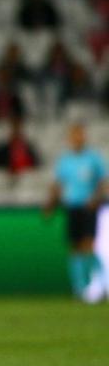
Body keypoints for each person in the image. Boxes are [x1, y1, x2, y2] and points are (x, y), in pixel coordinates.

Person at [45, 122, 108, 303]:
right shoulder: (65, 161)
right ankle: (79, 289)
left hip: (89, 207)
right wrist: (50, 204)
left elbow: (104, 182)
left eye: (80, 134)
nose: (77, 138)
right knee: (74, 248)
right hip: (72, 207)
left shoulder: (94, 158)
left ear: (84, 136)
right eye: (74, 135)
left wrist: (96, 199)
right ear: (70, 138)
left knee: (89, 246)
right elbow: (58, 184)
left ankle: (101, 285)